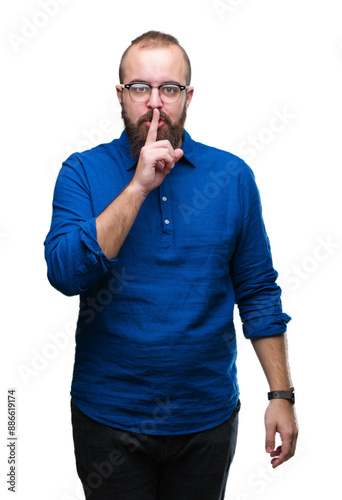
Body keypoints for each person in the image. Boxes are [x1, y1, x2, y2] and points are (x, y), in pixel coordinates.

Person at [44, 31, 298, 500]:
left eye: (170, 89)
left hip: (207, 419)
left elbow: (259, 292)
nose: (155, 104)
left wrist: (281, 395)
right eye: (140, 88)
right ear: (121, 95)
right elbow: (65, 273)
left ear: (189, 96)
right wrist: (138, 187)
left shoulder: (233, 177)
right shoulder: (81, 171)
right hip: (108, 419)